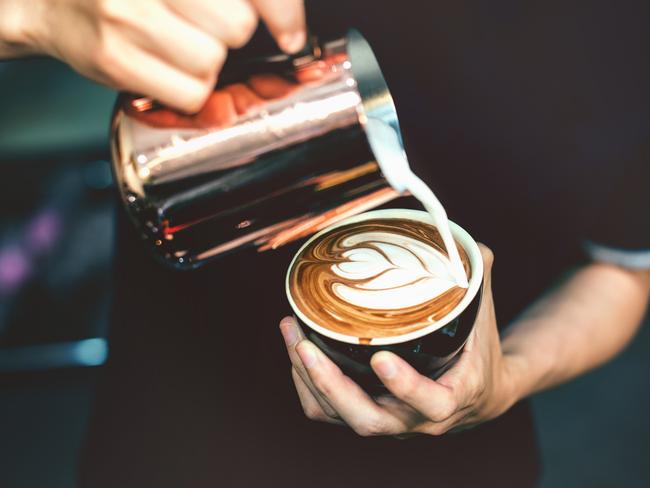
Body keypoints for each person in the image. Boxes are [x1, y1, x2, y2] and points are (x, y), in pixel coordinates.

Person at [2, 0, 649, 486]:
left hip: (462, 454)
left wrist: (507, 377)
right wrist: (40, 15)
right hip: (181, 409)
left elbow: (626, 270)